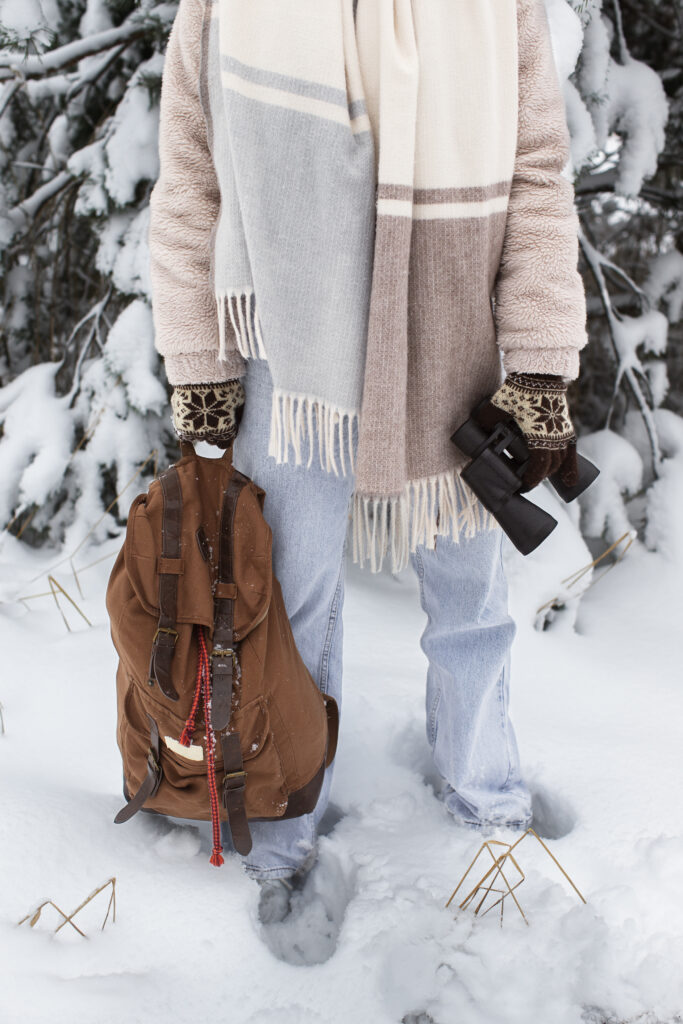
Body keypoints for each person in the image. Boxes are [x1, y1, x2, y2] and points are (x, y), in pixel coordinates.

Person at [148, 0, 588, 919]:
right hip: (287, 349)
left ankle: (487, 799)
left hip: (447, 340)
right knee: (291, 605)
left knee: (469, 600)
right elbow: (190, 178)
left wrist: (541, 358)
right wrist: (200, 362)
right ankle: (284, 833)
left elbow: (537, 175)